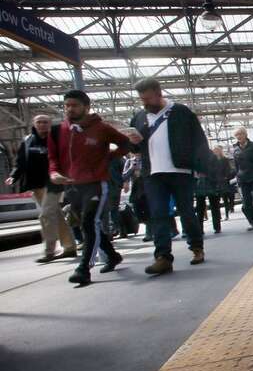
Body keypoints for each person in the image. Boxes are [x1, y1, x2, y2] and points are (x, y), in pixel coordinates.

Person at [127, 78, 210, 275]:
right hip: (153, 173)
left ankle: (197, 247)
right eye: (141, 99)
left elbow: (199, 140)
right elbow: (134, 148)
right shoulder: (139, 117)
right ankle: (163, 257)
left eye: (147, 98)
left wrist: (202, 166)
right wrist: (133, 142)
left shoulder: (181, 112)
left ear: (158, 93)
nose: (144, 103)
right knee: (158, 214)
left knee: (186, 211)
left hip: (181, 171)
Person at [48, 90, 130, 285]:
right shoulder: (57, 131)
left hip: (96, 184)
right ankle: (112, 255)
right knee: (84, 223)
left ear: (86, 107)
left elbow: (125, 144)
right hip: (71, 186)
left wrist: (107, 158)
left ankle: (84, 268)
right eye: (67, 105)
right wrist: (54, 173)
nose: (69, 109)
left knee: (89, 222)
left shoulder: (101, 128)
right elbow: (52, 157)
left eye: (74, 105)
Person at [6, 115, 77, 263]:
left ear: (50, 124)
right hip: (35, 184)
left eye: (45, 122)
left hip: (53, 182)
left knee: (45, 215)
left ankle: (49, 251)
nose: (42, 125)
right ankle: (70, 247)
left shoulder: (56, 139)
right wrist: (13, 176)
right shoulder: (27, 141)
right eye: (39, 122)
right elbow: (20, 163)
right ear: (34, 124)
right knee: (55, 215)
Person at [195, 145, 231, 234]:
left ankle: (201, 229)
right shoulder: (211, 155)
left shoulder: (196, 154)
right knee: (211, 206)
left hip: (204, 182)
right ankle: (216, 227)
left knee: (201, 206)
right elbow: (216, 170)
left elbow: (216, 170)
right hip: (209, 182)